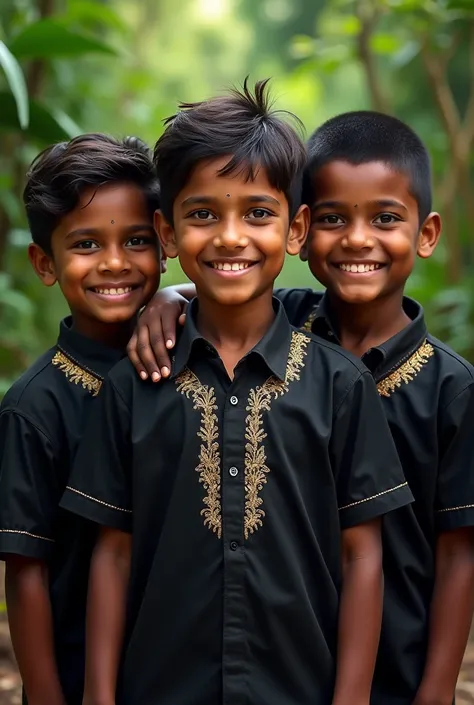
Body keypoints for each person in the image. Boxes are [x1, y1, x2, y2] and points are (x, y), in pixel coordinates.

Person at [61, 81, 412, 705]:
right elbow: (111, 556)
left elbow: (364, 556)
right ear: (167, 235)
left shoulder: (339, 384)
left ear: (296, 228)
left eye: (257, 213)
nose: (230, 237)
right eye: (202, 215)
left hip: (301, 687)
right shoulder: (132, 384)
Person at [132, 110, 474, 705]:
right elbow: (223, 281)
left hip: (400, 663)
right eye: (334, 219)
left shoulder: (452, 388)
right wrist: (164, 297)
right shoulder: (288, 321)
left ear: (426, 233)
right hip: (298, 660)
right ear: (304, 229)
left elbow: (459, 553)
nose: (357, 239)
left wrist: (438, 689)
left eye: (385, 219)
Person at [0, 133, 163, 705]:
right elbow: (25, 572)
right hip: (75, 680)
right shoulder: (34, 407)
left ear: (165, 244)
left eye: (137, 241)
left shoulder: (189, 365)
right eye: (87, 244)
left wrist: (180, 297)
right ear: (45, 262)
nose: (115, 263)